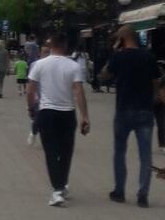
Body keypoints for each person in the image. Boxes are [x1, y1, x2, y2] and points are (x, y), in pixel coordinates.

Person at [100, 26, 162, 207]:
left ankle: (119, 191)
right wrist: (153, 98)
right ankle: (143, 195)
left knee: (120, 152)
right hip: (145, 110)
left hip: (123, 110)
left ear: (122, 39)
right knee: (145, 154)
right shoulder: (148, 57)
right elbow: (156, 81)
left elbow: (103, 76)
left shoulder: (118, 57)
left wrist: (114, 52)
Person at [27, 32, 90, 207]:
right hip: (67, 113)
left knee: (51, 152)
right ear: (65, 46)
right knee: (66, 151)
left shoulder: (39, 65)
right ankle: (61, 184)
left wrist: (31, 108)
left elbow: (30, 90)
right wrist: (85, 116)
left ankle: (57, 189)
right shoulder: (73, 66)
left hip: (47, 112)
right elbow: (78, 91)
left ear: (51, 45)